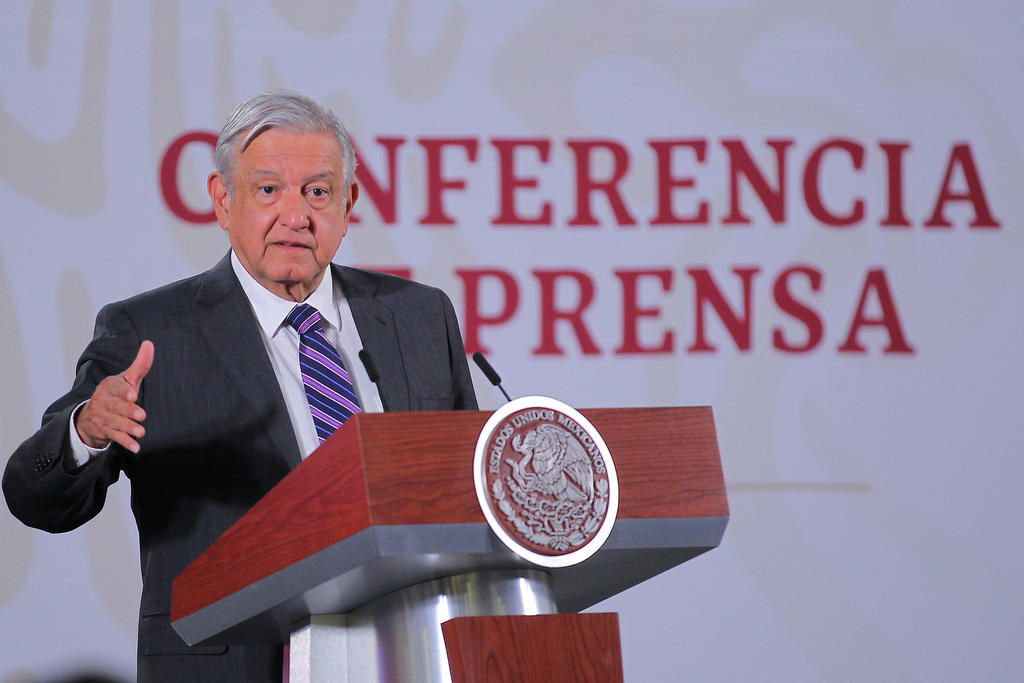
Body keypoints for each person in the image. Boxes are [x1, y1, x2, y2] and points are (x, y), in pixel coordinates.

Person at [2, 90, 478, 682]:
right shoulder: (150, 332)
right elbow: (33, 497)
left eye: (318, 192)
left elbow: (467, 502)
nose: (295, 216)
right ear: (223, 200)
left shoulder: (419, 316)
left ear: (349, 202)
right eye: (268, 190)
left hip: (410, 655)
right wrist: (84, 433)